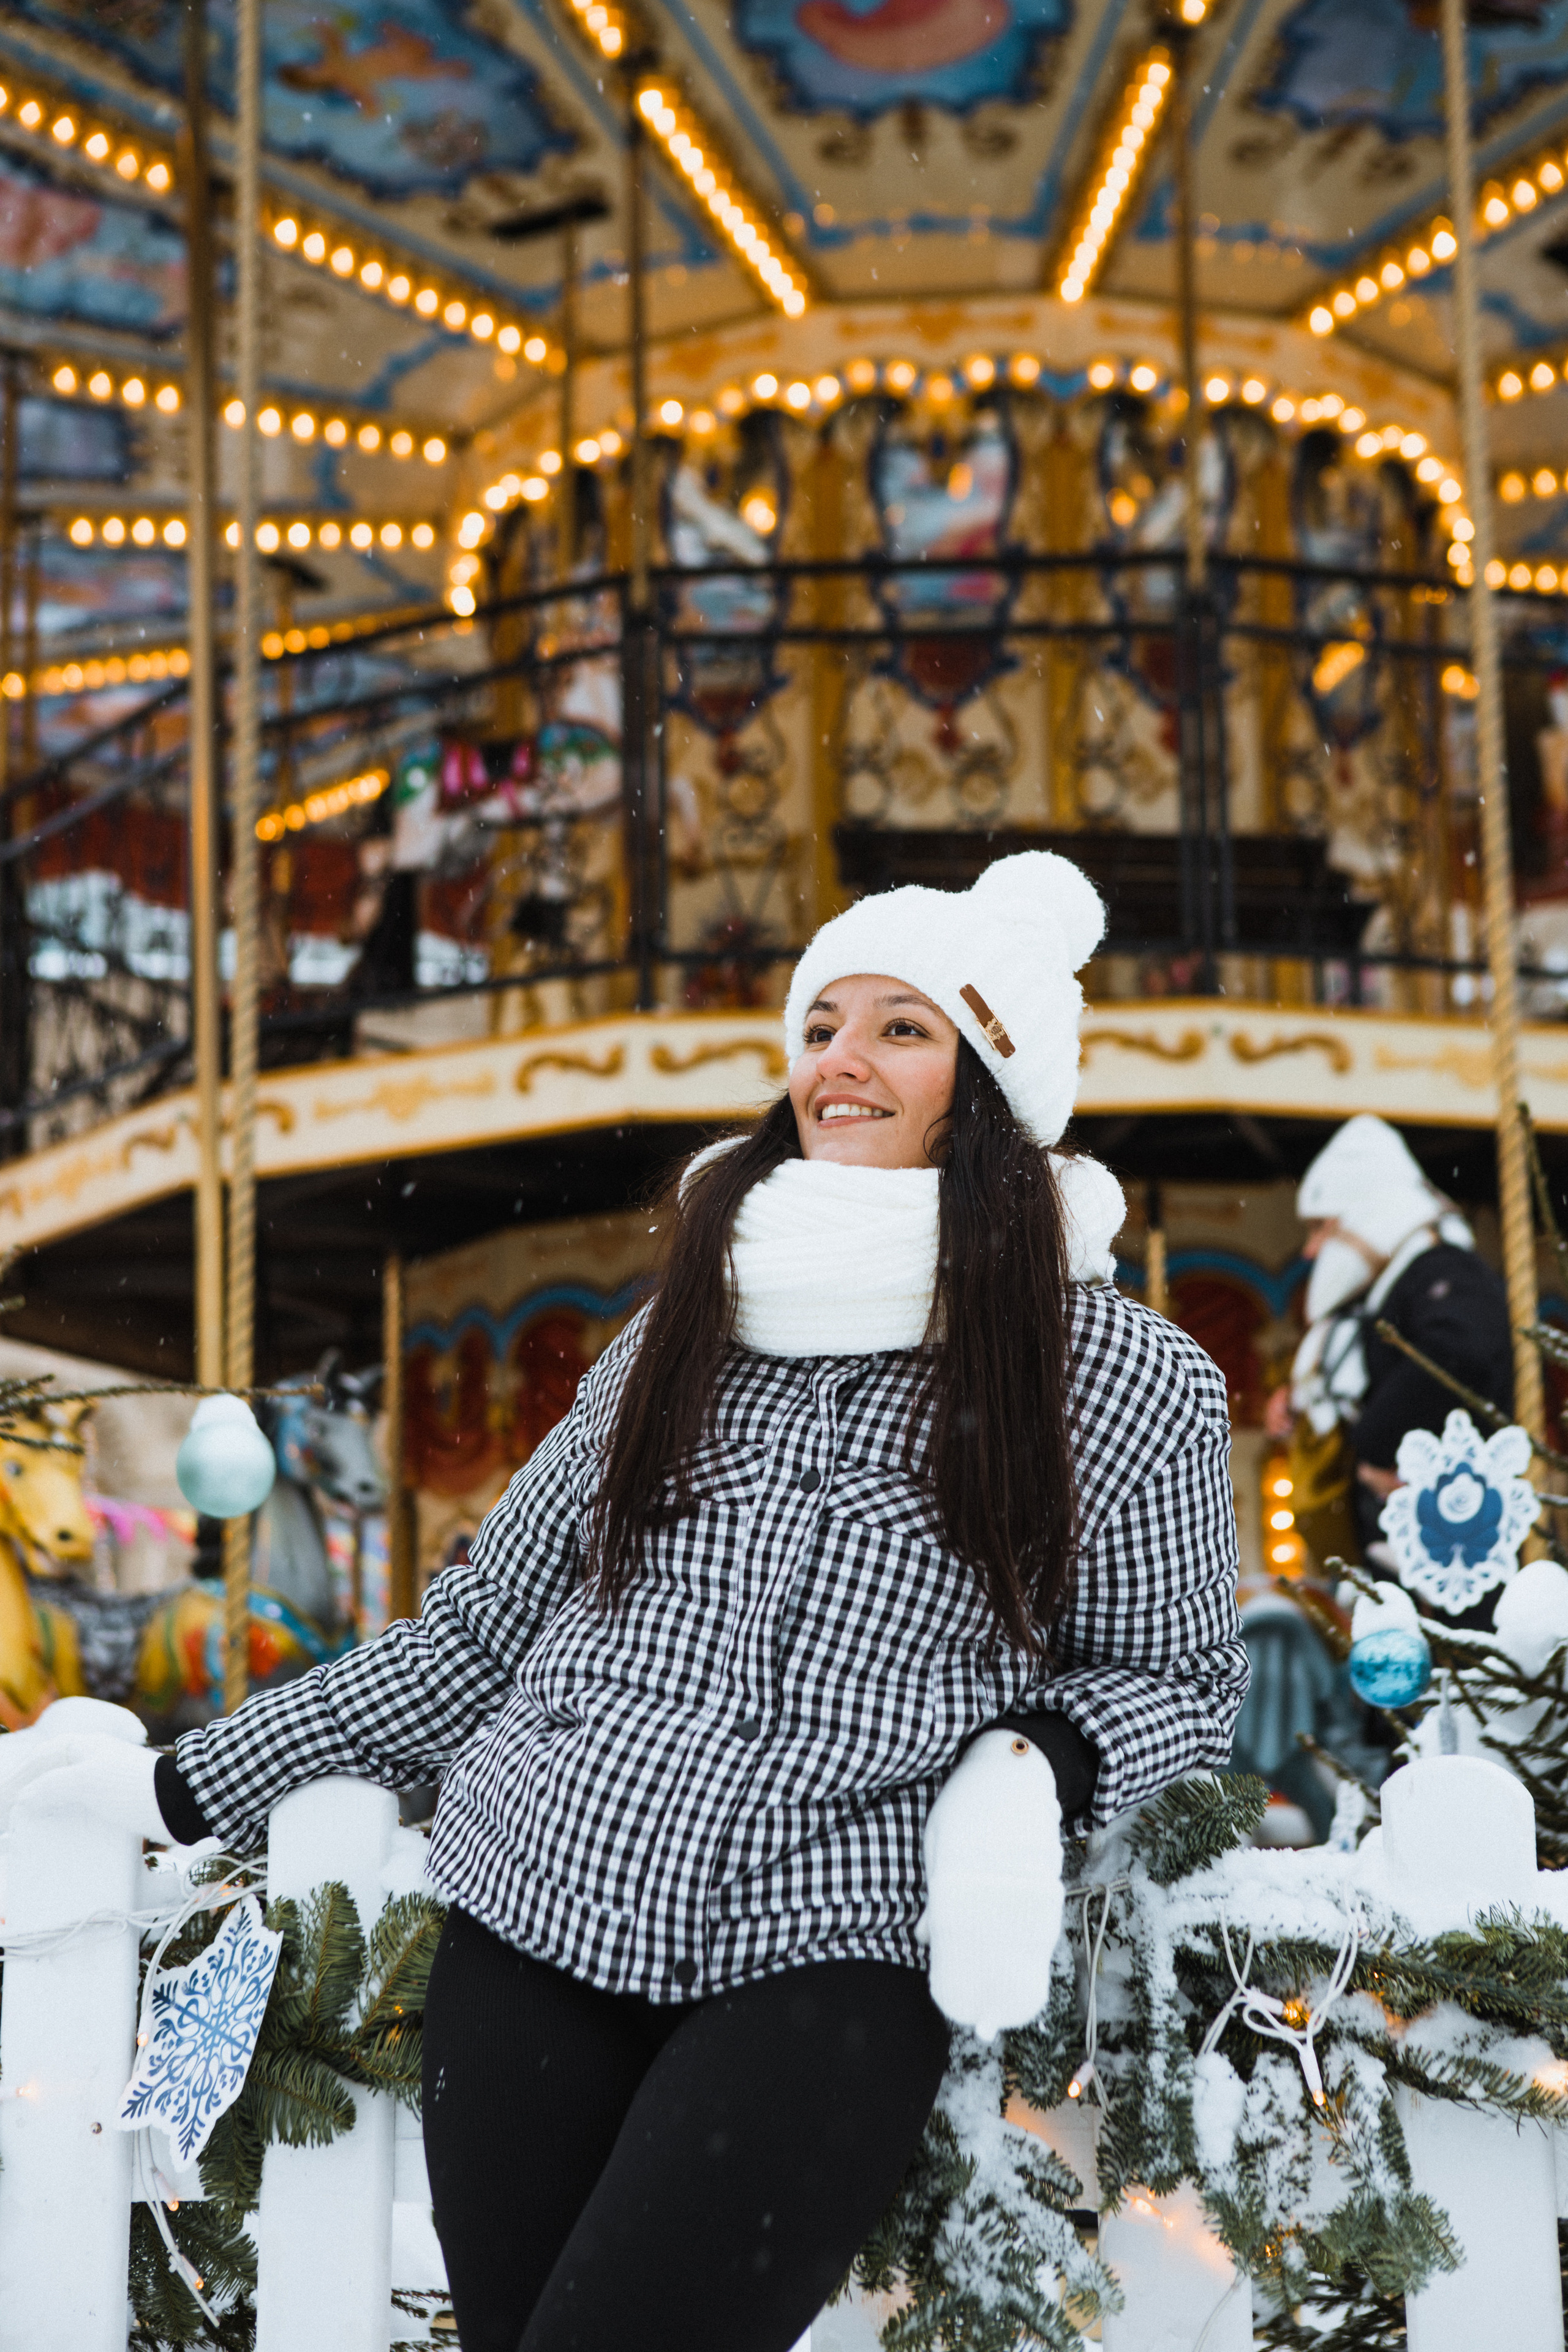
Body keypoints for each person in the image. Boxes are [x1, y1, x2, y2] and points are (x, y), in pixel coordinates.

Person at [0, 852, 1248, 2352]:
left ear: (985, 1085)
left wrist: (1030, 1759)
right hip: (535, 1914)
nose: (836, 1060)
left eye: (900, 1028)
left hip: (824, 1938)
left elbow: (1176, 1674)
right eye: (820, 1022)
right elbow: (478, 1634)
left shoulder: (1115, 1376)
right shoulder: (679, 1329)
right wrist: (183, 1777)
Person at [1265, 1112, 1513, 1616]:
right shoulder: (1403, 1284)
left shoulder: (1443, 1272)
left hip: (1450, 1557)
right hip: (1408, 1557)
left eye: (1320, 1228)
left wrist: (1375, 1450)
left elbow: (1457, 1356)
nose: (1311, 1250)